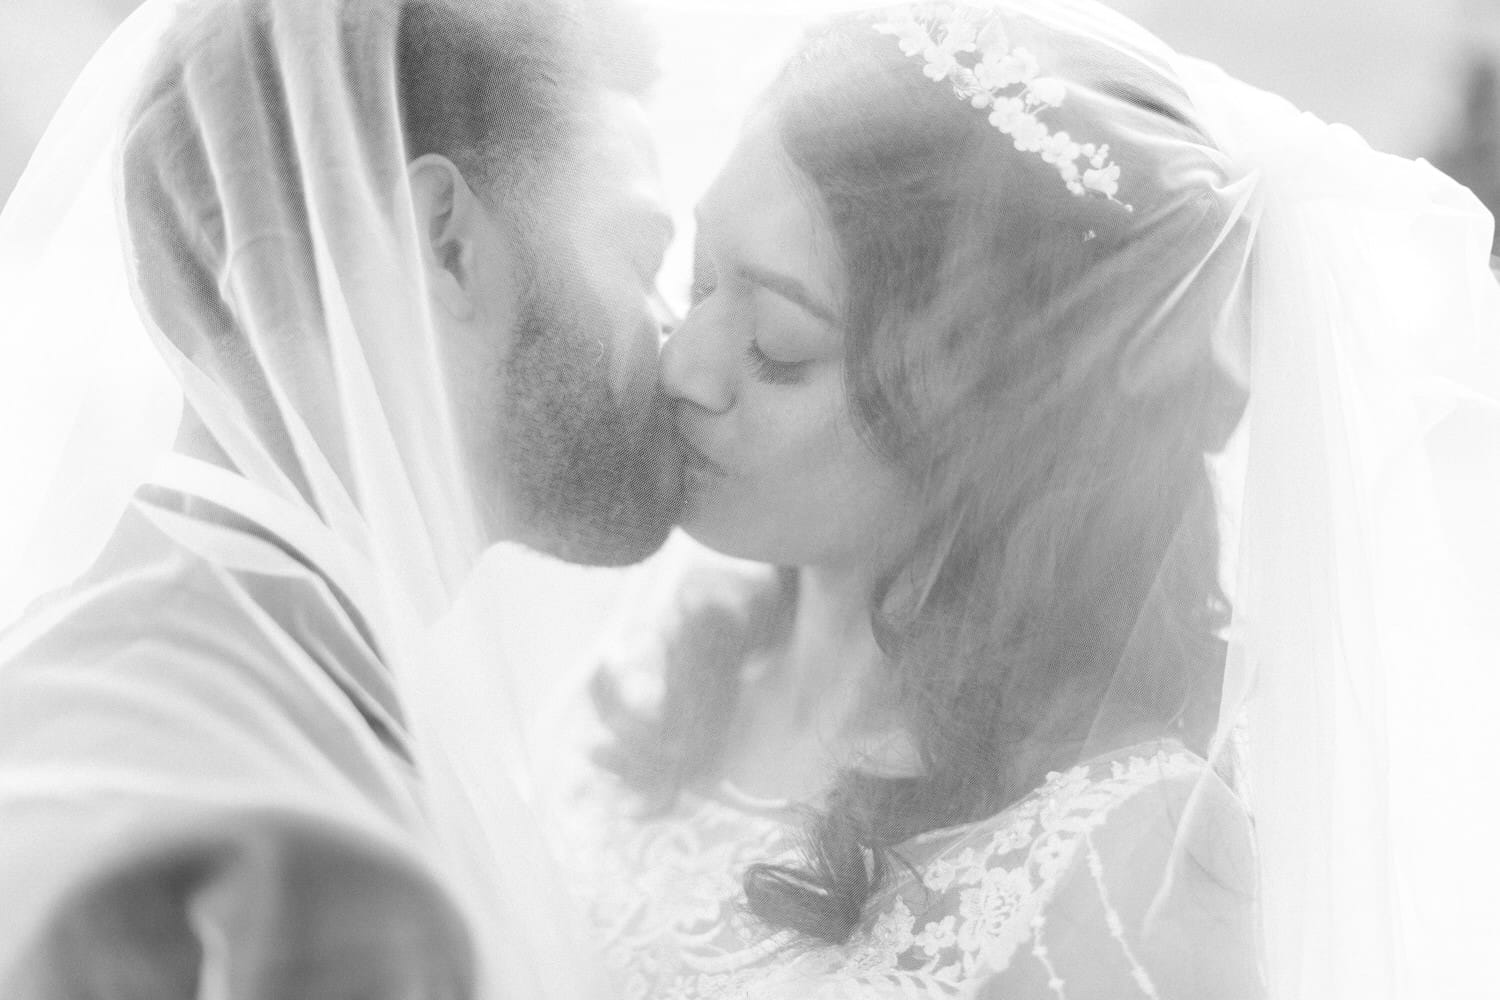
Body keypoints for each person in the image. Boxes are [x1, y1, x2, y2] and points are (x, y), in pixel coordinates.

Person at [551, 2, 1500, 998]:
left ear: (990, 414)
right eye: (699, 280)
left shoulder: (1134, 873)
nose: (684, 367)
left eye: (778, 345)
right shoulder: (675, 667)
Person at [0, 0, 679, 996]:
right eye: (640, 259)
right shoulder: (235, 824)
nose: (673, 337)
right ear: (446, 244)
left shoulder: (193, 669)